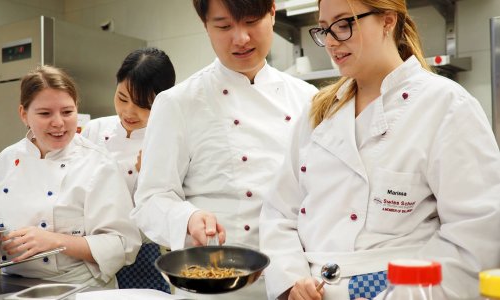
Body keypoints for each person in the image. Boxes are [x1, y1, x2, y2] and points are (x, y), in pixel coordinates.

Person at [259, 0, 500, 299]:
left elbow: (476, 233)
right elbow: (280, 212)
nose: (331, 41)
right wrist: (292, 281)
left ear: (387, 21)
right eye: (324, 29)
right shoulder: (318, 112)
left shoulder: (446, 106)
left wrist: (404, 293)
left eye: (344, 24)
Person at [130, 0, 318, 299]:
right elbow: (151, 199)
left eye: (252, 21)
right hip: (215, 284)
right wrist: (187, 218)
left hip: (296, 282)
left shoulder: (309, 99)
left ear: (272, 13)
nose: (240, 38)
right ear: (206, 26)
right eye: (224, 26)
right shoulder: (178, 103)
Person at [0, 65, 142, 288]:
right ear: (24, 114)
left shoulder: (98, 164)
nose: (59, 123)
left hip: (77, 288)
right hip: (8, 284)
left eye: (67, 112)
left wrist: (54, 241)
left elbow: (121, 244)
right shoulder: (4, 161)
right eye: (45, 113)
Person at [81, 47, 176, 292]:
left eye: (144, 105)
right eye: (122, 98)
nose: (129, 112)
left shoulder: (171, 139)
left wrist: (150, 177)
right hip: (92, 252)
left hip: (147, 255)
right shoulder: (92, 131)